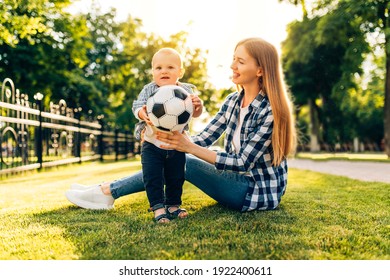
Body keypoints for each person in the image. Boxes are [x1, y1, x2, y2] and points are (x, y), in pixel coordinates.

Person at [65, 37, 296, 215]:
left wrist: (187, 148)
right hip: (234, 179)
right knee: (173, 156)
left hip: (254, 192)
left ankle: (107, 191)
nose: (232, 65)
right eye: (234, 58)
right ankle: (106, 190)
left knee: (185, 161)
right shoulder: (233, 101)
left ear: (260, 70)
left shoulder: (270, 110)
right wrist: (164, 141)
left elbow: (242, 162)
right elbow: (205, 137)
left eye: (240, 61)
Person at [66, 48, 203, 224]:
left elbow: (195, 113)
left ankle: (173, 206)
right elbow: (136, 106)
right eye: (158, 68)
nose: (164, 71)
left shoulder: (187, 90)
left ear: (180, 72)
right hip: (152, 144)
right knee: (152, 177)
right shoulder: (149, 90)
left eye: (170, 67)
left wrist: (198, 107)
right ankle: (158, 208)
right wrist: (142, 113)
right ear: (153, 71)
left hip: (176, 145)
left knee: (176, 176)